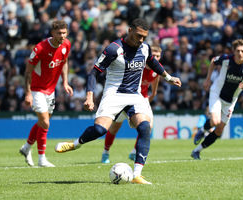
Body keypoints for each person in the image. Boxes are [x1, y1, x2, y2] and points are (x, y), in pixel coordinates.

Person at [55, 18, 181, 184]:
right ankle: (75, 144)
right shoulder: (114, 49)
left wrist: (169, 77)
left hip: (134, 96)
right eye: (138, 35)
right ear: (129, 31)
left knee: (144, 127)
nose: (141, 40)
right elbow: (94, 72)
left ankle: (137, 174)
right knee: (100, 130)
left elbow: (152, 61)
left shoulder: (145, 48)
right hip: (113, 95)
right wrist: (90, 96)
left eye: (144, 37)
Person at [191, 39, 243, 160]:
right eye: (237, 50)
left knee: (219, 130)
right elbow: (213, 61)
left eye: (242, 51)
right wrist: (208, 79)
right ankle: (202, 130)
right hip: (217, 93)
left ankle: (197, 151)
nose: (239, 53)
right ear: (233, 51)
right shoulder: (226, 59)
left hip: (231, 100)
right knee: (215, 121)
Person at [19, 20, 73, 167]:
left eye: (64, 33)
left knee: (43, 122)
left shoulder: (66, 44)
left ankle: (26, 147)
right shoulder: (40, 48)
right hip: (37, 90)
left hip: (51, 90)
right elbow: (28, 72)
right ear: (52, 33)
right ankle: (42, 158)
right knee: (45, 122)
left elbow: (65, 61)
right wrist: (28, 93)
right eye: (58, 33)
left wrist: (65, 82)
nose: (62, 36)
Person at [101, 44, 162, 164]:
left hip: (141, 98)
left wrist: (154, 93)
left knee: (147, 127)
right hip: (126, 97)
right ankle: (105, 152)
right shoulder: (138, 65)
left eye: (158, 56)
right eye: (153, 55)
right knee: (115, 127)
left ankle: (134, 153)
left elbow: (156, 78)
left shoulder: (157, 69)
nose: (155, 58)